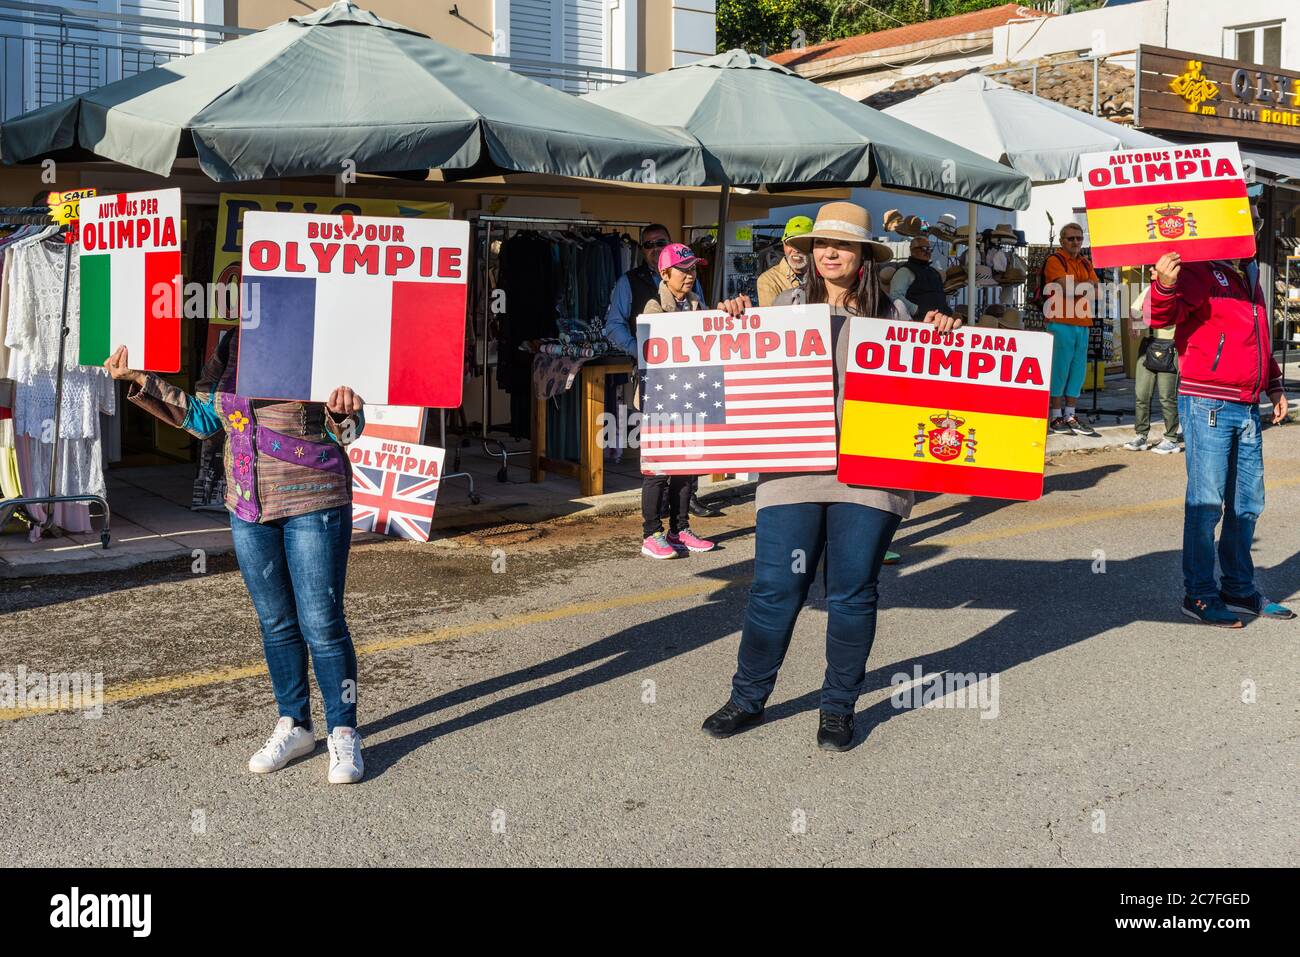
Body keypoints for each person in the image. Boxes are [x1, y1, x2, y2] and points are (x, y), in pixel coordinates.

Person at [698, 202, 962, 751]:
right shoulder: (774, 310)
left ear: (865, 255)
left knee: (851, 594)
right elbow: (734, 371)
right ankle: (748, 698)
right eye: (821, 245)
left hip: (869, 475)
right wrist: (730, 319)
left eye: (842, 245)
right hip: (792, 468)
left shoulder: (897, 318)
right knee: (774, 590)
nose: (830, 253)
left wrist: (943, 332)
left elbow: (935, 391)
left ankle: (837, 708)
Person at [104, 335, 370, 783]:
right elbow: (207, 418)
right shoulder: (231, 342)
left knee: (322, 625)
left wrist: (344, 415)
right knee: (276, 622)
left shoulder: (321, 325)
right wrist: (140, 380)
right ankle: (295, 724)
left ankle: (343, 730)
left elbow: (349, 432)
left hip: (314, 501)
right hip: (247, 504)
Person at [1149, 242, 1294, 627]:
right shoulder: (1197, 268)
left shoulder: (1248, 271)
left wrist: (1275, 384)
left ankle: (1239, 588)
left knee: (1247, 503)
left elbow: (1257, 335)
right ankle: (1199, 594)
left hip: (1247, 405)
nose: (1250, 230)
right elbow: (1160, 315)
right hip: (1207, 401)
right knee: (1206, 505)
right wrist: (1163, 285)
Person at [604, 224, 719, 519]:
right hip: (655, 378)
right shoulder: (629, 282)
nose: (654, 248)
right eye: (648, 244)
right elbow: (613, 324)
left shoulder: (690, 283)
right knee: (661, 453)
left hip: (691, 378)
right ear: (642, 249)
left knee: (690, 444)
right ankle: (655, 524)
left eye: (660, 242)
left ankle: (687, 501)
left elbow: (703, 321)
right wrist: (638, 349)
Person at [638, 243, 717, 559]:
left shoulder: (699, 305)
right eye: (683, 269)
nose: (689, 275)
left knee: (686, 468)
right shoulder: (654, 307)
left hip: (691, 397)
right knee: (658, 470)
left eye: (693, 269)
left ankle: (680, 528)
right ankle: (651, 533)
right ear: (664, 273)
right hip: (660, 400)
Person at [1042, 223, 1102, 438]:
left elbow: (1098, 293)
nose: (1076, 242)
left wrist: (1077, 286)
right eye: (1071, 239)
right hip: (1060, 321)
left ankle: (1070, 415)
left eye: (1078, 238)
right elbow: (1065, 288)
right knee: (1060, 370)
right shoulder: (1054, 260)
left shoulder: (1085, 262)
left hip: (1082, 324)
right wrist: (1084, 286)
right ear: (1062, 241)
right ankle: (1056, 416)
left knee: (1077, 372)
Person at [1124, 272, 1182, 454]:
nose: (1151, 271)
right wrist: (1133, 325)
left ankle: (1171, 438)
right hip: (1149, 344)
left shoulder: (1179, 292)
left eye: (1155, 269)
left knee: (1167, 397)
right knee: (1141, 393)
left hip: (1170, 346)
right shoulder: (1148, 290)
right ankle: (1141, 436)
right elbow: (1133, 311)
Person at [756, 215, 814, 307]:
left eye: (802, 243)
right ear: (783, 245)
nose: (796, 249)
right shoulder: (769, 280)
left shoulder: (824, 274)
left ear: (813, 246)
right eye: (790, 243)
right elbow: (771, 318)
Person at [889, 236, 949, 321]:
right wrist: (916, 310)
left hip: (942, 322)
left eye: (930, 249)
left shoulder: (934, 272)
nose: (928, 252)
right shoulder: (905, 271)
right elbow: (895, 296)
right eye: (924, 248)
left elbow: (941, 298)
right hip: (920, 324)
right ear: (913, 250)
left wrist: (950, 313)